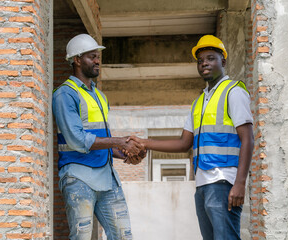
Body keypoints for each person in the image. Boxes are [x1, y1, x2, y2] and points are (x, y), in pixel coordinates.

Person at [128, 35, 254, 239]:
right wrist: (144, 143)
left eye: (211, 58)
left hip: (224, 181)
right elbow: (183, 143)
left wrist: (240, 183)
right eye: (200, 60)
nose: (204, 63)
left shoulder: (233, 92)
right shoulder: (199, 102)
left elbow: (248, 138)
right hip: (203, 184)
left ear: (223, 61)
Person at [52, 33, 145, 240]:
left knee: (123, 236)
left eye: (97, 56)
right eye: (91, 56)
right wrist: (119, 141)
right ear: (76, 60)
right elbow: (77, 139)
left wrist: (125, 153)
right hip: (78, 177)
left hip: (106, 177)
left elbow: (102, 140)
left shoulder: (99, 96)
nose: (97, 61)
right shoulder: (65, 94)